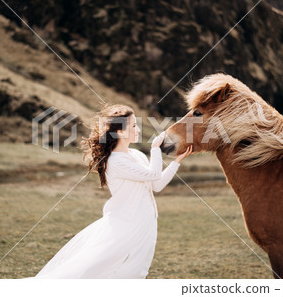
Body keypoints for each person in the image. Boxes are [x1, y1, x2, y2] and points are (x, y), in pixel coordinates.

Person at [32, 104, 193, 278]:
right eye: (133, 126)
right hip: (127, 223)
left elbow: (156, 184)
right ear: (120, 132)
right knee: (107, 269)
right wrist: (155, 148)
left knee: (137, 270)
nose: (137, 129)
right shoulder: (116, 161)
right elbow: (154, 174)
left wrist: (177, 161)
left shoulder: (137, 155)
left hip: (146, 222)